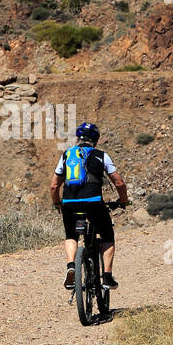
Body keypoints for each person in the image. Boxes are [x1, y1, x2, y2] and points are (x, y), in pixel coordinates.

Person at [50, 122, 129, 290]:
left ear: (78, 138)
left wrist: (57, 203)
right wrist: (123, 200)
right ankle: (107, 277)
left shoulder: (66, 155)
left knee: (71, 235)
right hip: (93, 202)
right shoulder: (101, 155)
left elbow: (54, 186)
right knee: (107, 235)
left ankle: (71, 265)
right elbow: (119, 182)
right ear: (96, 140)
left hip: (69, 203)